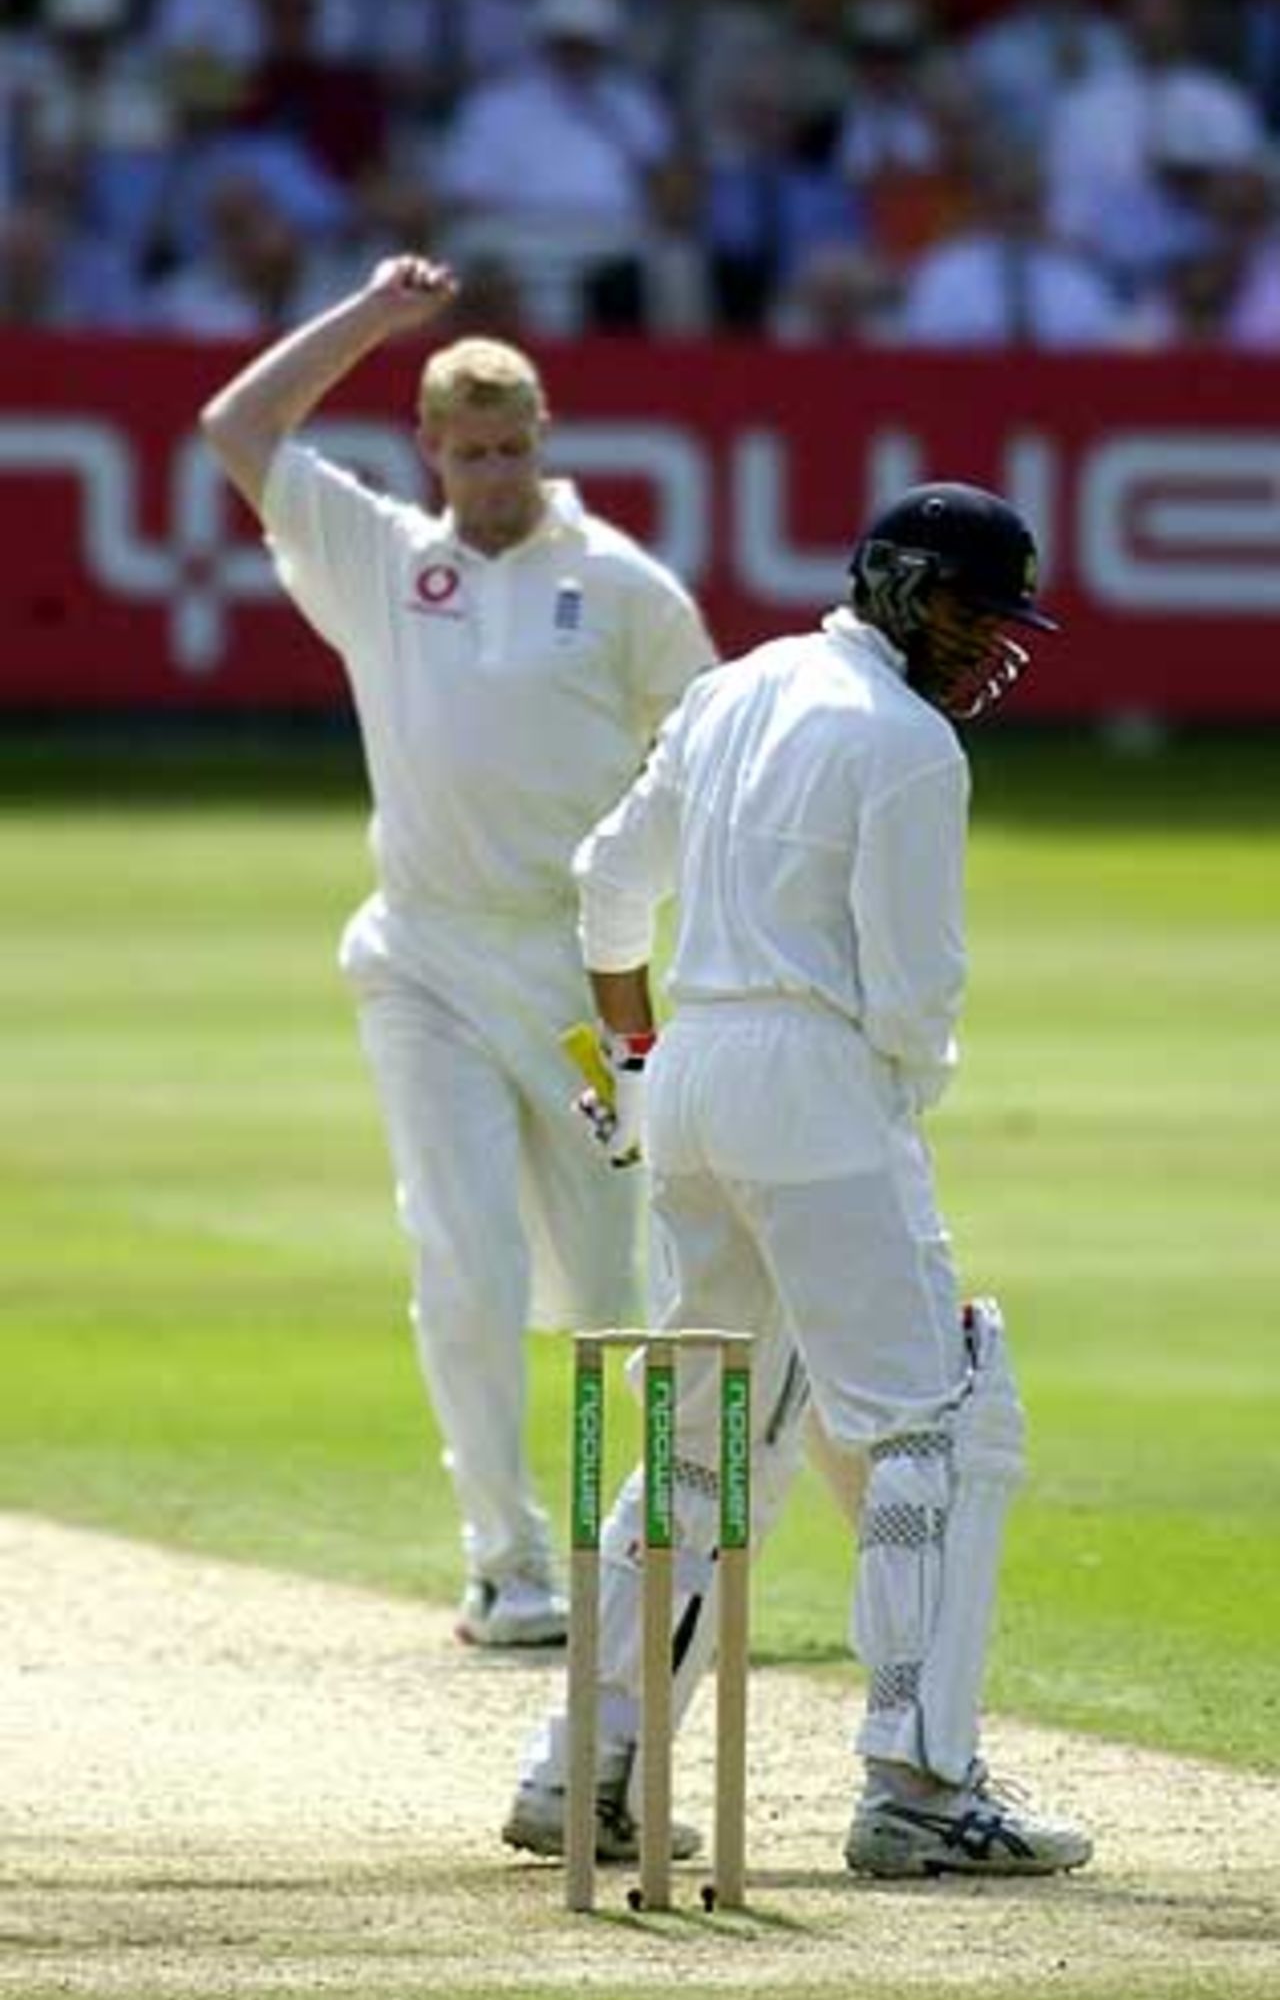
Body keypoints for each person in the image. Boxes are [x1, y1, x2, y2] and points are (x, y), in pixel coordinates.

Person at [504, 482, 1094, 1878]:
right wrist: (886, 1103)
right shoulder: (907, 746)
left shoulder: (735, 688)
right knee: (936, 1429)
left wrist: (639, 1070)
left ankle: (584, 1771)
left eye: (999, 624)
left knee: (703, 1442)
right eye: (968, 613)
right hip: (819, 1088)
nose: (985, 648)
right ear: (895, 584)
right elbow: (915, 997)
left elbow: (606, 879)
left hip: (697, 1081)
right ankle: (922, 1791)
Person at [199, 254, 716, 1648]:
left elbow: (710, 754)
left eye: (511, 450)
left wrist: (665, 908)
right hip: (420, 960)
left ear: (543, 438)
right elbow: (237, 428)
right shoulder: (381, 560)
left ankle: (642, 1556)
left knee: (607, 1287)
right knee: (466, 1258)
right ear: (429, 447)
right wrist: (375, 314)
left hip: (574, 976)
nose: (492, 475)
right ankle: (507, 1562)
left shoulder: (622, 586)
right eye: (468, 452)